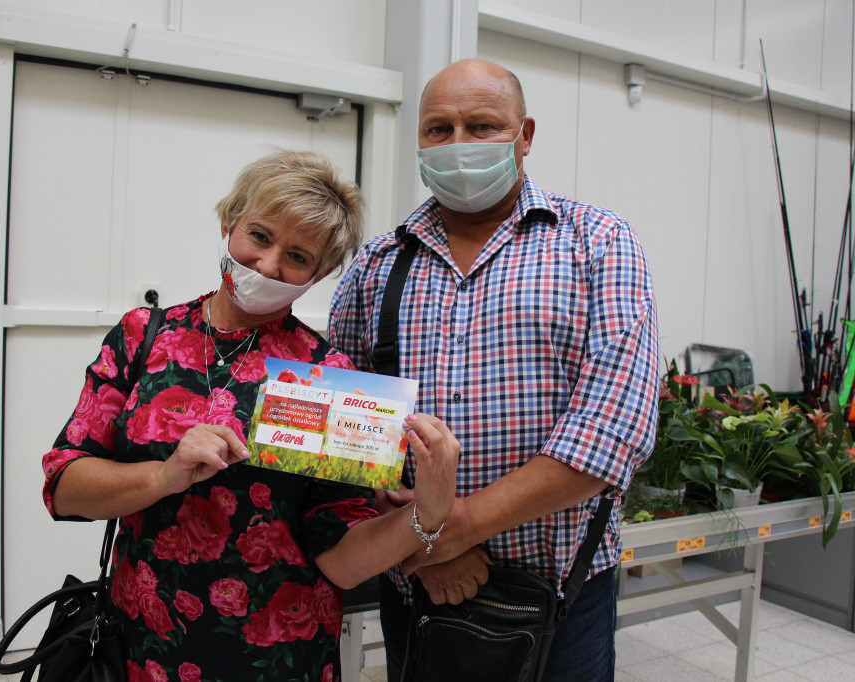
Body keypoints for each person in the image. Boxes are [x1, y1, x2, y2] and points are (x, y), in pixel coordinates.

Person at [41, 149, 459, 682]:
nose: (268, 265)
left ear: (322, 272)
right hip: (143, 646)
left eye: (298, 256)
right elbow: (64, 487)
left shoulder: (326, 376)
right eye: (259, 236)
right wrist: (164, 476)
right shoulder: (143, 335)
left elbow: (341, 559)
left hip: (279, 658)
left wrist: (428, 512)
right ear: (228, 222)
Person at [327, 59, 660, 681]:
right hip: (417, 589)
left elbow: (613, 431)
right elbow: (343, 435)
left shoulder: (597, 243)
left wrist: (448, 531)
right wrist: (417, 542)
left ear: (524, 135)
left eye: (482, 126)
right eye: (438, 129)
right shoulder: (379, 263)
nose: (458, 144)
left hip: (561, 592)